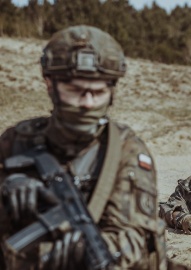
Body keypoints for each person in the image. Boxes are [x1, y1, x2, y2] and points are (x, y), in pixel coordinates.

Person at [0, 25, 168, 269]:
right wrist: (6, 189)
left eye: (98, 93)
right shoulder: (16, 141)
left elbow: (137, 239)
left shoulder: (125, 150)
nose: (88, 103)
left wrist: (80, 251)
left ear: (111, 92)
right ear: (50, 84)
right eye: (75, 91)